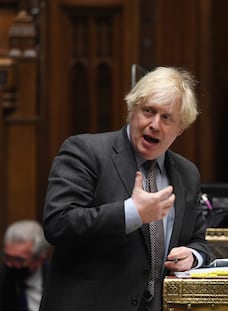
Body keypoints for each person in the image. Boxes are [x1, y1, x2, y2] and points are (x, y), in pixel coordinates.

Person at [40, 67, 213, 311]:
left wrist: (193, 257)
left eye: (166, 118)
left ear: (180, 129)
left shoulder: (187, 173)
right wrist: (131, 213)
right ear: (132, 111)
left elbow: (199, 241)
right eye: (148, 111)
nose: (154, 125)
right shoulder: (86, 152)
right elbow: (58, 223)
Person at [0, 220, 50, 311]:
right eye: (7, 257)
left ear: (40, 259)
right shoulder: (3, 278)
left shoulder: (57, 279)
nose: (10, 264)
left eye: (19, 260)